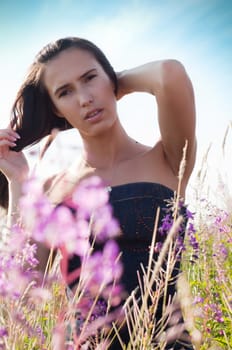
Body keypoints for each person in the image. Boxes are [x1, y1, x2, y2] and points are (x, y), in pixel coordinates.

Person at [0, 37, 196, 348]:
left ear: (111, 77)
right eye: (65, 92)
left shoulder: (169, 160)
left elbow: (168, 73)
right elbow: (21, 286)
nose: (84, 98)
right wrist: (19, 180)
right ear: (56, 109)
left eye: (90, 78)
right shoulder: (52, 190)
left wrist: (117, 84)